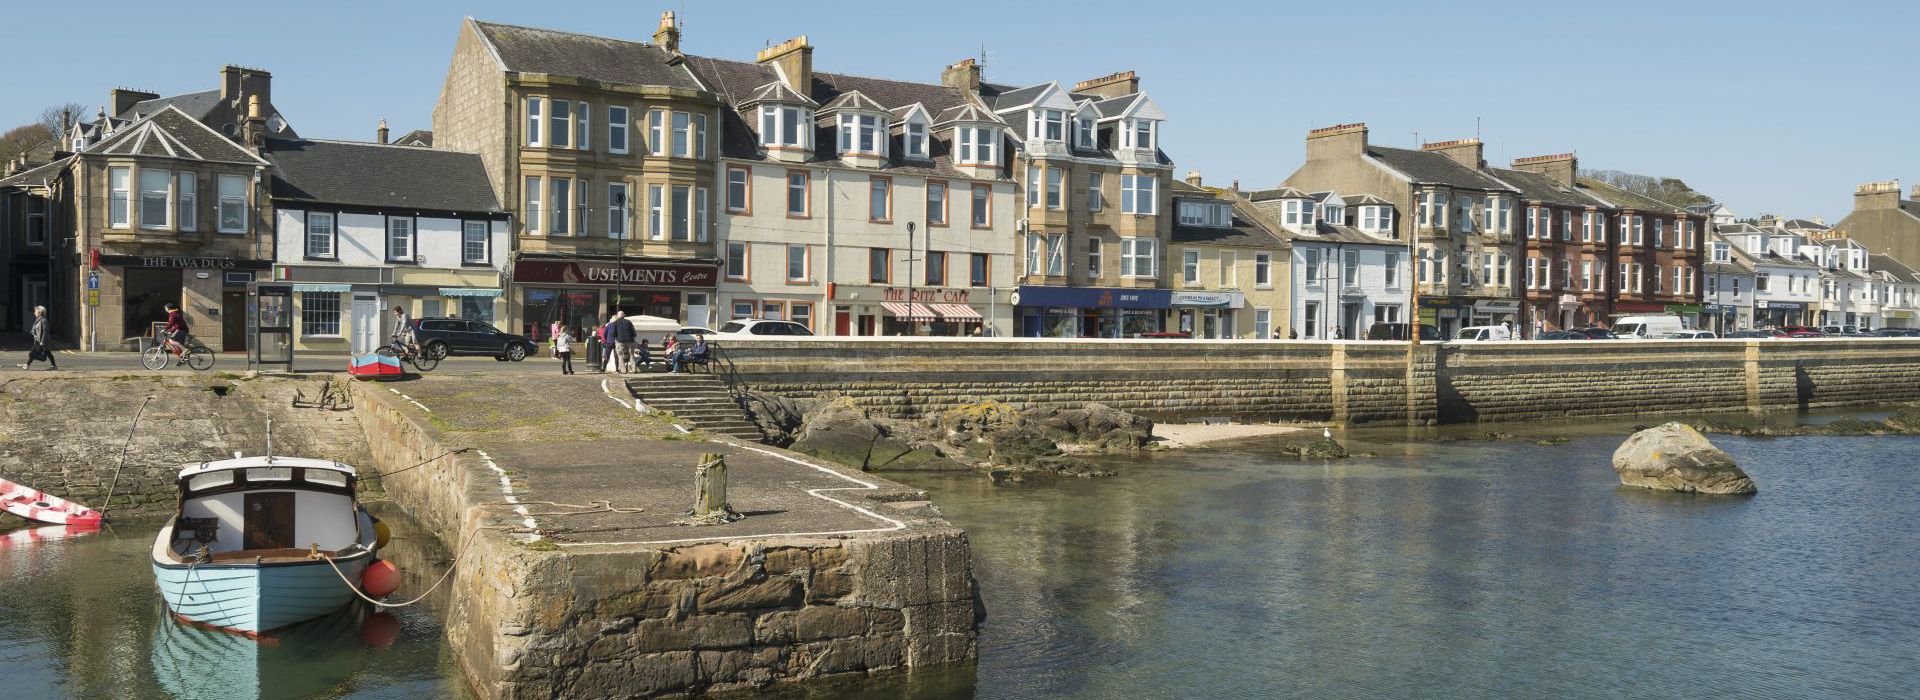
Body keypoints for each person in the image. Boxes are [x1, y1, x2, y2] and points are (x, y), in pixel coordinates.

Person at [19, 305, 55, 371]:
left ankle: (44, 360)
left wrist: (42, 342)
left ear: (40, 313)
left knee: (33, 354)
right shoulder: (38, 320)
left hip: (42, 341)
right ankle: (27, 365)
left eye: (35, 311)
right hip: (37, 340)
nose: (34, 313)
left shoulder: (44, 321)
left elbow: (45, 332)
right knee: (38, 352)